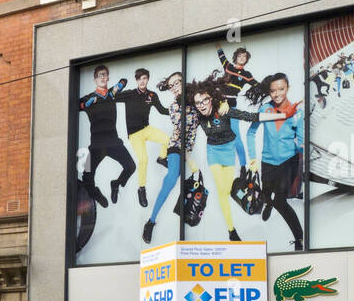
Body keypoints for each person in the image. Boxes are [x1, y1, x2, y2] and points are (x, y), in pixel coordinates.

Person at [184, 77, 288, 241]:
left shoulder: (224, 111)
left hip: (228, 150)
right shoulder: (196, 116)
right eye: (198, 102)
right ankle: (231, 230)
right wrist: (189, 160)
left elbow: (251, 116)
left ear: (211, 99)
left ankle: (237, 189)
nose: (202, 105)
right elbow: (186, 136)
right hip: (213, 152)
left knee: (226, 190)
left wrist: (280, 115)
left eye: (205, 100)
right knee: (222, 191)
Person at [245, 72, 306, 249]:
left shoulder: (297, 111)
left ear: (287, 88)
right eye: (273, 90)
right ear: (269, 92)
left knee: (281, 201)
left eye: (281, 89)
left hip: (289, 161)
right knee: (265, 193)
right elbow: (251, 133)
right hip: (267, 161)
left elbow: (301, 138)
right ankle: (268, 203)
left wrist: (302, 148)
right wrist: (253, 159)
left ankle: (299, 238)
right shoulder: (265, 109)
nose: (277, 93)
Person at [141, 71, 201, 244]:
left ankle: (165, 163)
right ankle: (150, 221)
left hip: (188, 148)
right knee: (171, 179)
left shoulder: (196, 99)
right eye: (171, 85)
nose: (174, 87)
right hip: (176, 146)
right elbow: (182, 132)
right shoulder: (174, 107)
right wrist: (190, 160)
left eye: (177, 83)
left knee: (180, 177)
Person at [76, 65, 135, 209]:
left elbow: (124, 81)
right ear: (95, 79)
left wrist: (118, 86)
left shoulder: (111, 94)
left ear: (108, 77)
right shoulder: (89, 97)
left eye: (105, 75)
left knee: (130, 166)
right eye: (99, 75)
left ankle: (116, 183)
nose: (102, 77)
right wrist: (87, 104)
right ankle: (96, 194)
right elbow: (76, 105)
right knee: (86, 178)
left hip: (114, 142)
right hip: (96, 145)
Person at [114, 68, 172, 208]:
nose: (142, 81)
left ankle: (162, 158)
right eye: (139, 78)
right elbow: (113, 96)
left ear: (148, 79)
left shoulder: (152, 95)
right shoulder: (130, 94)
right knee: (143, 160)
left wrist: (177, 109)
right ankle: (141, 189)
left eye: (144, 78)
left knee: (167, 139)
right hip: (134, 135)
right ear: (136, 80)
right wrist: (119, 85)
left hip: (147, 129)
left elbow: (163, 110)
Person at [217, 47, 259, 172]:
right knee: (220, 134)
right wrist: (217, 45)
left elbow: (258, 85)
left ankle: (243, 166)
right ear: (236, 57)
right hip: (219, 104)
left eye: (244, 56)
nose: (242, 58)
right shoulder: (228, 66)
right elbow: (221, 55)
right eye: (240, 55)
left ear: (246, 60)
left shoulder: (247, 75)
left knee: (236, 136)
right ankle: (223, 164)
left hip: (232, 105)